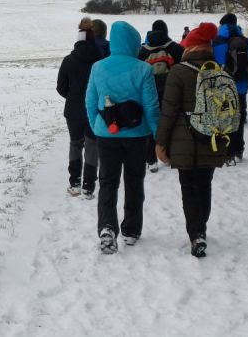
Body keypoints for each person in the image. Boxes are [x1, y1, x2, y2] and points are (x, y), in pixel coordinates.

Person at [86, 21, 160, 254]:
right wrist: (158, 135)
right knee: (134, 181)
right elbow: (151, 106)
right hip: (137, 136)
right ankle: (131, 230)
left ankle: (107, 227)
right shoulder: (143, 69)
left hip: (106, 135)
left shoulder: (98, 67)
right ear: (133, 43)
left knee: (107, 182)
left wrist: (97, 127)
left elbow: (90, 102)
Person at [155, 23, 229, 258]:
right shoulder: (220, 71)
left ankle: (195, 234)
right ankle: (201, 229)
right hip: (212, 140)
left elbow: (168, 111)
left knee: (188, 187)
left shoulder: (178, 72)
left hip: (183, 141)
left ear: (190, 47)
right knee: (204, 185)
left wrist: (160, 142)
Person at [57, 18, 104, 199]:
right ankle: (88, 186)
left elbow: (61, 87)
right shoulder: (101, 60)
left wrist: (73, 97)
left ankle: (74, 183)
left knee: (75, 144)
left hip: (74, 110)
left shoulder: (68, 60)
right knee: (92, 146)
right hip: (94, 109)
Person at [213, 14, 248, 164]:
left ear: (222, 25)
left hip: (220, 87)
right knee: (238, 118)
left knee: (224, 118)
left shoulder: (215, 42)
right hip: (241, 86)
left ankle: (228, 152)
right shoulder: (245, 42)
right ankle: (239, 149)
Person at [138, 19, 184, 173]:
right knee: (170, 121)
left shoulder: (143, 50)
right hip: (171, 92)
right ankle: (168, 154)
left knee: (150, 123)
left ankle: (151, 160)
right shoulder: (175, 48)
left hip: (149, 92)